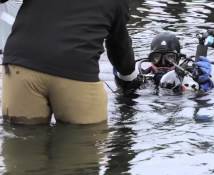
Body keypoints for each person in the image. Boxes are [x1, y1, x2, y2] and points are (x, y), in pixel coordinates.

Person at [0, 0, 142, 125]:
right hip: (77, 73)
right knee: (82, 145)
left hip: (20, 66)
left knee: (21, 143)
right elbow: (119, 46)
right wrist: (129, 77)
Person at [139, 32, 214, 93]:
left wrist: (203, 83)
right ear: (150, 59)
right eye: (156, 57)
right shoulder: (141, 79)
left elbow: (205, 96)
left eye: (170, 58)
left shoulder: (190, 76)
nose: (163, 63)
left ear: (178, 60)